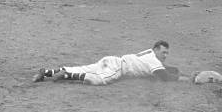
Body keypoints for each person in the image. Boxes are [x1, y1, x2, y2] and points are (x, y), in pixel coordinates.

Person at [32, 40, 185, 85]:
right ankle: (66, 76)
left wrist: (175, 69)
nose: (165, 55)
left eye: (167, 53)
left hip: (111, 60)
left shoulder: (149, 53)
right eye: (163, 52)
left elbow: (163, 69)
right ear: (156, 50)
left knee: (84, 68)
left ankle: (46, 72)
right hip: (117, 68)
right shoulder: (153, 60)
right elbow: (163, 77)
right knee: (100, 80)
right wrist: (185, 78)